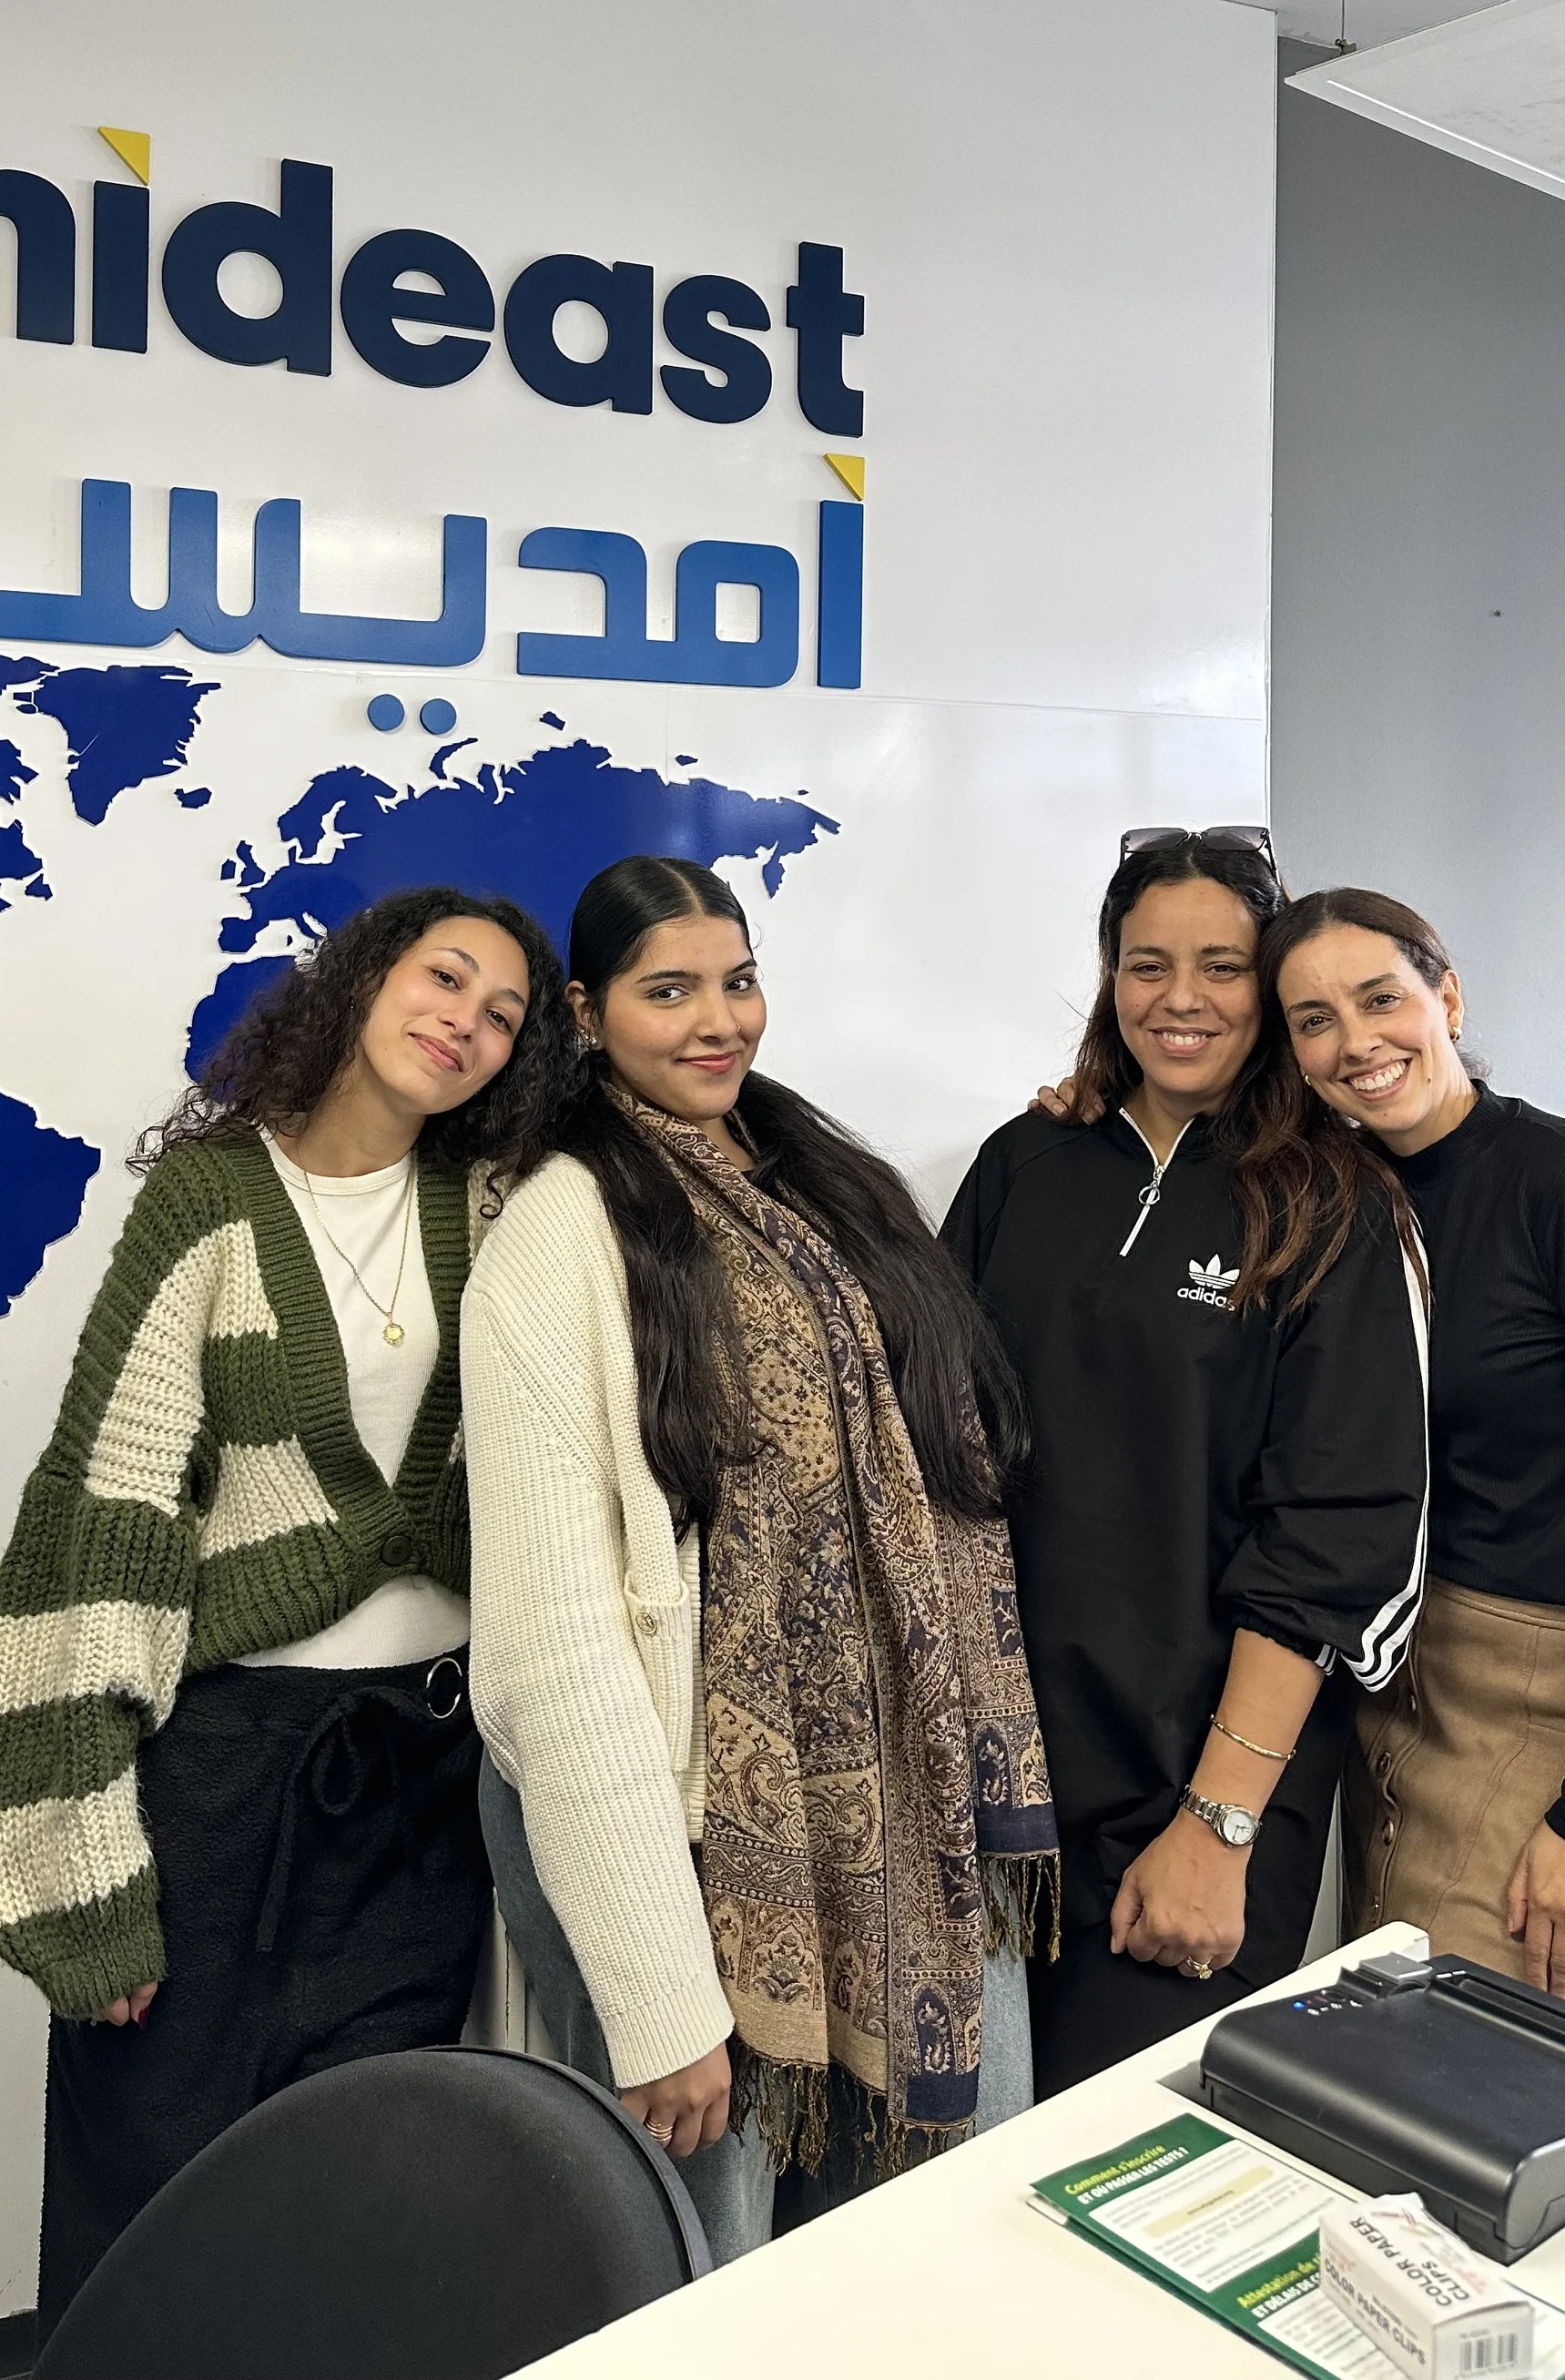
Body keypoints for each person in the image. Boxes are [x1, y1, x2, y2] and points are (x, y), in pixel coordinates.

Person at [0, 885, 574, 2334]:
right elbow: (103, 1524)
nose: (466, 1023)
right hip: (228, 1782)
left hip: (421, 1778)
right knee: (155, 2204)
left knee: (365, 2203)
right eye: (444, 978)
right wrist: (78, 1874)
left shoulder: (500, 1204)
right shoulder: (214, 1201)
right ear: (363, 977)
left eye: (504, 1015)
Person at [461, 854, 1057, 2266]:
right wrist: (659, 1996)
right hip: (679, 1835)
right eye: (668, 991)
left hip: (900, 1803)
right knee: (707, 2269)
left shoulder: (820, 1181)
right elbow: (554, 1650)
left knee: (935, 2241)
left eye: (737, 982)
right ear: (586, 1012)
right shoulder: (559, 1229)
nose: (718, 1020)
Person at [956, 828, 1428, 2095]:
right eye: (1145, 963)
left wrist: (1219, 1829)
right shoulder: (1024, 1164)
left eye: (1221, 966)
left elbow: (1333, 1540)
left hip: (1187, 1800)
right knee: (975, 2169)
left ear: (1265, 987)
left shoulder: (1331, 1206)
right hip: (998, 1792)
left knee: (1129, 2167)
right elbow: (940, 1442)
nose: (1181, 998)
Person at [1265, 886, 1565, 2010]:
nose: (1355, 1042)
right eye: (1313, 1020)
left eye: (1380, 999)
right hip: (1404, 1683)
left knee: (1452, 2067)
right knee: (1376, 2061)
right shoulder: (1346, 1191)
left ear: (1447, 998)